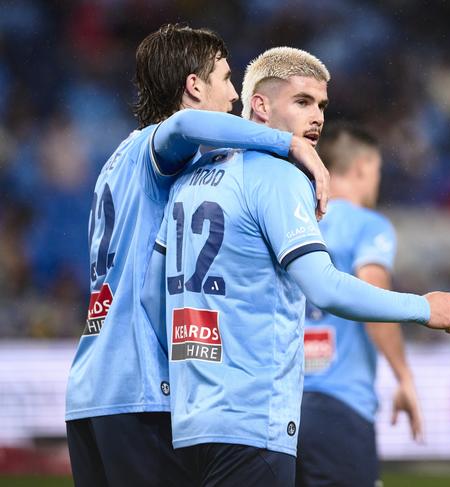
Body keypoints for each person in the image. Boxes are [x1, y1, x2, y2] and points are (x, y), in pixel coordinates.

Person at [146, 46, 450, 487]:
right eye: (302, 102)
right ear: (259, 105)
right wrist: (421, 307)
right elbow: (325, 288)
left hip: (188, 424)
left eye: (321, 105)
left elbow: (151, 293)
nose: (316, 116)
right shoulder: (278, 177)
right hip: (253, 419)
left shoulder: (194, 177)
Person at [65, 24, 330, 487]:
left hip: (90, 390)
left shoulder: (115, 162)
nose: (233, 97)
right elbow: (187, 126)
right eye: (226, 79)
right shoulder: (156, 149)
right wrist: (288, 143)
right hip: (141, 389)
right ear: (193, 85)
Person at [295, 123, 422, 487]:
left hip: (282, 407)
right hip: (341, 405)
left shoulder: (294, 219)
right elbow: (373, 294)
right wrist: (404, 376)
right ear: (364, 166)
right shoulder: (368, 225)